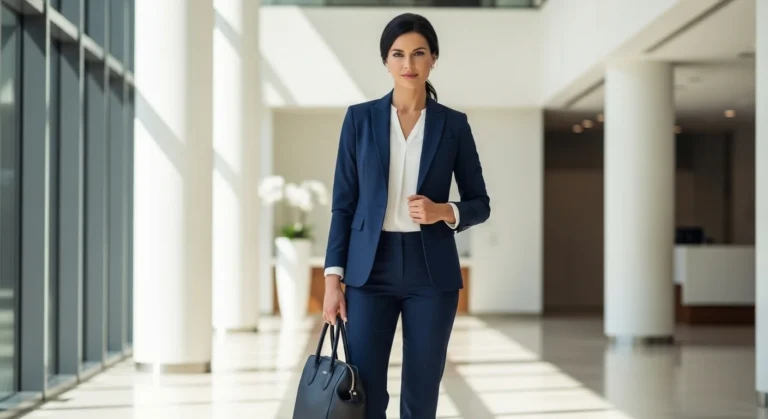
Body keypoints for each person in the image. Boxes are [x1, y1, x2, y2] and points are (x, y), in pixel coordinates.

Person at [322, 12, 490, 419]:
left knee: (421, 393)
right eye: (398, 54)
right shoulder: (359, 120)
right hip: (367, 271)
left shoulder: (454, 125)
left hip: (431, 273)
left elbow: (479, 203)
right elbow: (344, 203)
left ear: (434, 58)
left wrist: (442, 211)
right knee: (366, 393)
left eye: (418, 53)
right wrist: (332, 280)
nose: (408, 64)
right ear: (385, 61)